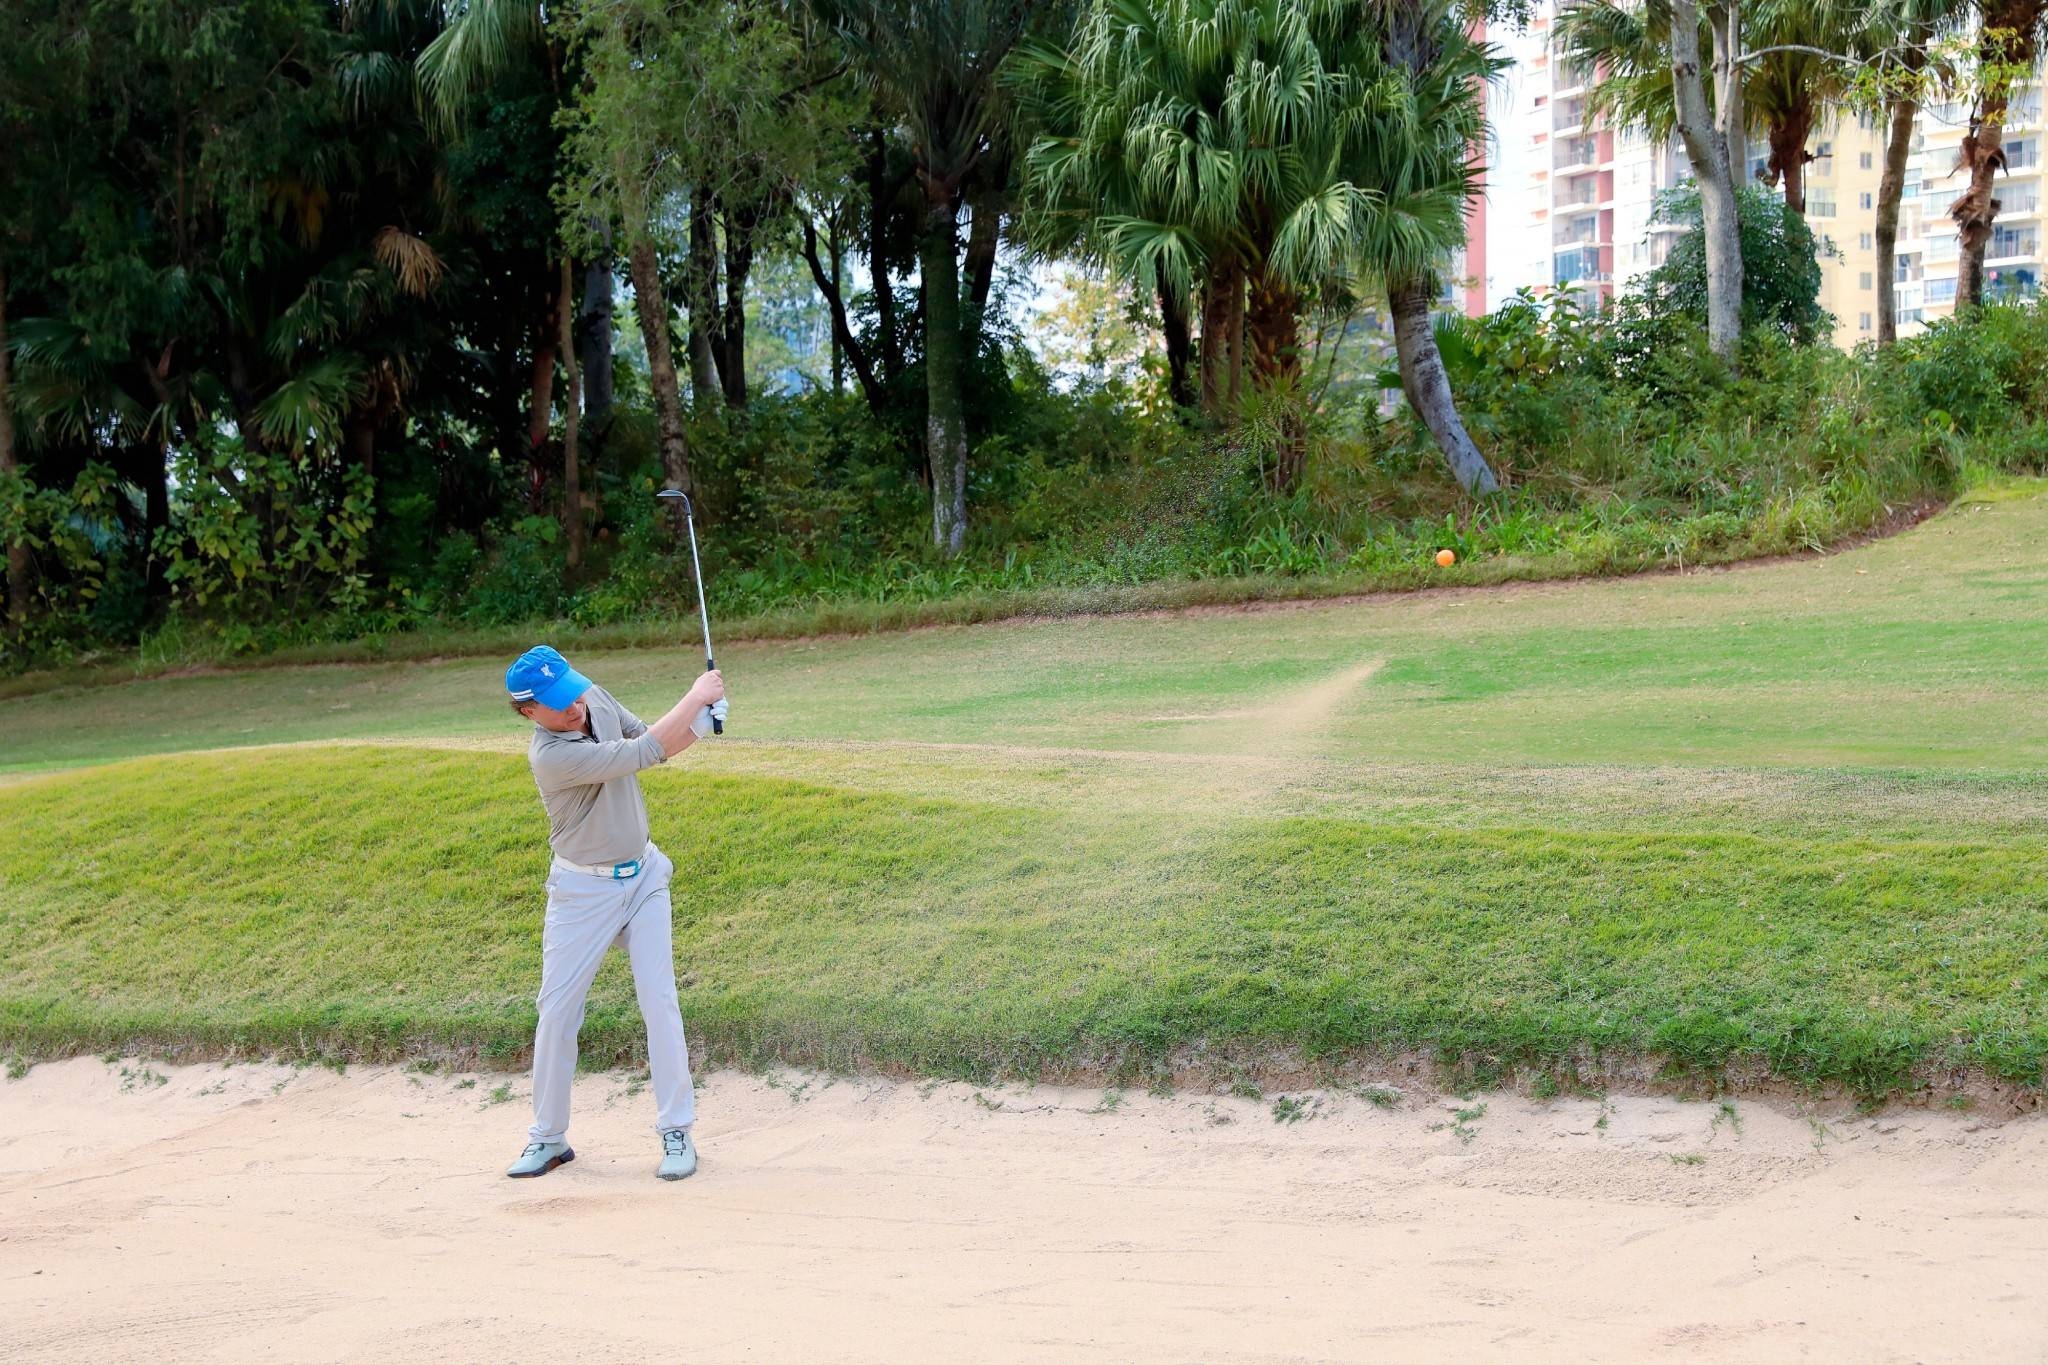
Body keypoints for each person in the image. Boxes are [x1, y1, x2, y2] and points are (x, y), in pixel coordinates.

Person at [500, 645, 727, 1182]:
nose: (574, 705)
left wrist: (702, 722)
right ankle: (549, 1138)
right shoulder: (550, 757)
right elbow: (643, 751)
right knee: (558, 1013)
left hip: (644, 878)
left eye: (572, 691)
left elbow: (653, 740)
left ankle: (677, 1130)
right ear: (529, 711)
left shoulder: (592, 698)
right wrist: (695, 696)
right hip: (582, 892)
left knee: (660, 1000)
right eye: (557, 702)